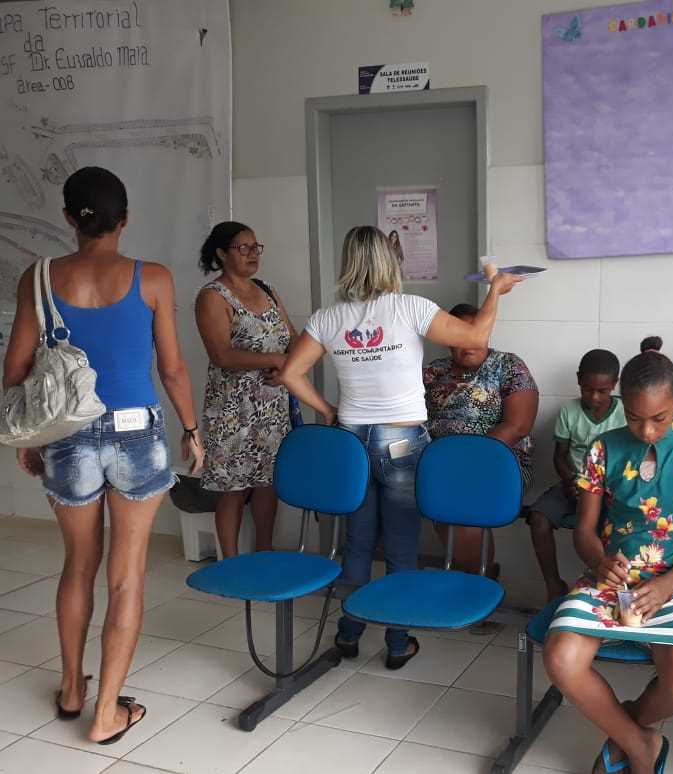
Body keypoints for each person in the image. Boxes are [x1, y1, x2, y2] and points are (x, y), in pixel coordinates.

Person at [2, 167, 204, 744]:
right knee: (126, 576)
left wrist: (31, 438)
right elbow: (172, 368)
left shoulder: (39, 277)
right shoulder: (153, 278)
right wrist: (192, 430)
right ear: (126, 218)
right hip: (138, 434)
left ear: (70, 217)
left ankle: (71, 690)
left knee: (78, 566)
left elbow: (15, 369)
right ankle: (108, 711)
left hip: (68, 436)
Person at [277, 226, 520, 669]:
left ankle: (348, 634)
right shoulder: (411, 308)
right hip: (402, 443)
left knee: (357, 543)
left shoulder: (328, 318)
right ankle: (396, 642)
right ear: (390, 262)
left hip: (351, 443)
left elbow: (290, 374)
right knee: (401, 545)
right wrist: (496, 291)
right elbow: (475, 338)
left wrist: (328, 409)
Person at [543, 337, 673, 774]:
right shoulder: (603, 448)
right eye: (633, 417)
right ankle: (641, 746)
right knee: (560, 658)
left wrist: (667, 585)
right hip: (609, 578)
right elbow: (584, 531)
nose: (646, 431)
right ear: (621, 405)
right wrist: (599, 561)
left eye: (659, 418)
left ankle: (625, 728)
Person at [195, 222, 296, 557]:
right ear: (222, 254)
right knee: (233, 488)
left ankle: (264, 554)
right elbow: (221, 354)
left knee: (268, 483)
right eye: (243, 248)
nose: (253, 254)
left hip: (272, 407)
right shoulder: (213, 296)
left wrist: (291, 365)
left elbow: (292, 339)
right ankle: (230, 562)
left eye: (256, 247)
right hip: (232, 411)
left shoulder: (267, 290)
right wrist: (276, 360)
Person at [423, 303, 539, 577]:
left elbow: (518, 425)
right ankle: (471, 576)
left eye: (474, 331)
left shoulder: (508, 366)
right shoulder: (434, 371)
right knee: (439, 505)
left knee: (466, 512)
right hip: (442, 465)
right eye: (459, 334)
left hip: (500, 463)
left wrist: (468, 463)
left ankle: (477, 579)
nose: (468, 342)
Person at [526, 348, 625, 602]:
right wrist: (571, 482)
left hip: (612, 489)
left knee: (613, 528)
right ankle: (554, 585)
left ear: (614, 384)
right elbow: (559, 456)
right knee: (538, 518)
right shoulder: (569, 411)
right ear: (579, 379)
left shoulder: (624, 414)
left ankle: (606, 590)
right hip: (574, 485)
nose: (594, 397)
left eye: (602, 391)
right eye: (587, 389)